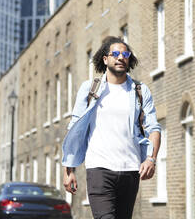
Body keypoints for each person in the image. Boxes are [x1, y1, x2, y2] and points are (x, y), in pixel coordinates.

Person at [62, 36, 161, 219]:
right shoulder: (90, 88)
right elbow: (75, 128)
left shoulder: (140, 90)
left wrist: (151, 159)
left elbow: (154, 127)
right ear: (105, 59)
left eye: (125, 54)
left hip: (130, 170)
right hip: (99, 169)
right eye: (115, 53)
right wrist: (69, 170)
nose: (121, 57)